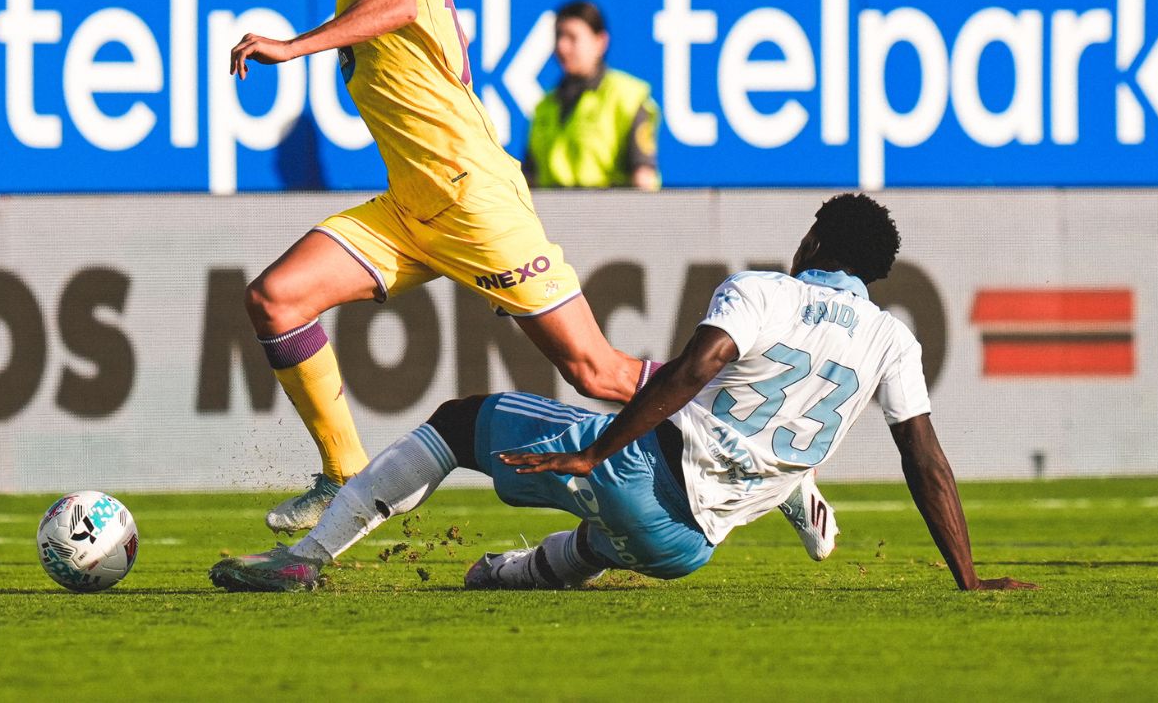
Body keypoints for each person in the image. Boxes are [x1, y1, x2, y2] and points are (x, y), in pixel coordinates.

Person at [211, 194, 1038, 596]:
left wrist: (600, 445)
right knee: (610, 538)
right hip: (690, 551)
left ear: (815, 239)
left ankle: (303, 560)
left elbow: (692, 370)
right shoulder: (892, 337)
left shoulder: (765, 291)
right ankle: (509, 574)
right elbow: (924, 457)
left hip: (641, 474)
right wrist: (967, 578)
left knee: (459, 422)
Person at [225, 0, 674, 533]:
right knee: (275, 300)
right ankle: (344, 476)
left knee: (599, 373)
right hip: (410, 205)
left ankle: (746, 425)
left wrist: (291, 46)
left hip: (471, 198)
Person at [523, 0, 661, 191]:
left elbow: (643, 176)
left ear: (600, 41)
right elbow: (529, 179)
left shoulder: (628, 97)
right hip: (549, 217)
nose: (562, 46)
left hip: (608, 216)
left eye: (572, 37)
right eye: (558, 36)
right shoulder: (545, 106)